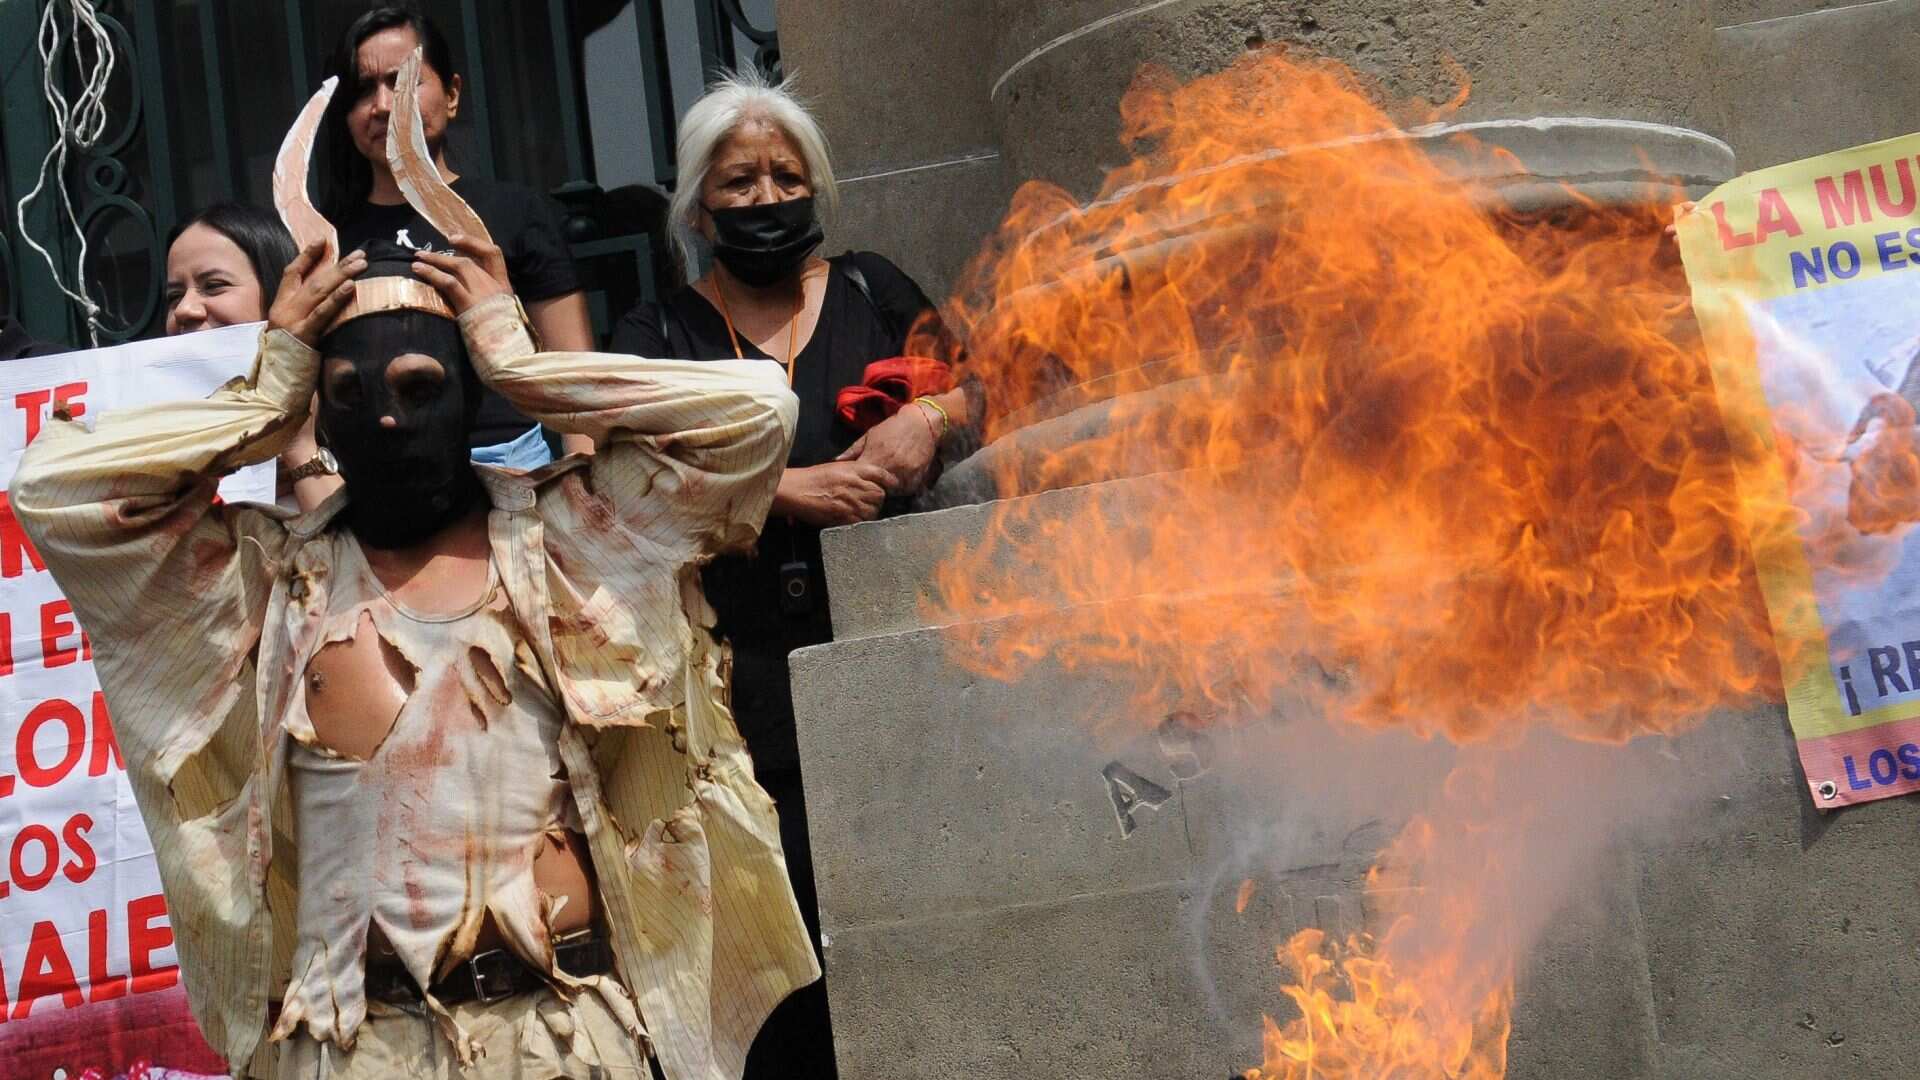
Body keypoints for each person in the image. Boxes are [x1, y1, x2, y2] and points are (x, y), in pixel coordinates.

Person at [12, 128, 817, 1077]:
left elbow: (759, 415)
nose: (388, 418)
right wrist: (269, 389)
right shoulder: (265, 587)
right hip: (355, 1048)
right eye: (350, 393)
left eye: (421, 386)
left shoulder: (577, 545)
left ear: (470, 395)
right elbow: (53, 494)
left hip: (566, 1038)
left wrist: (520, 365)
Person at [611, 67, 975, 1078]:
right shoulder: (659, 335)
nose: (767, 198)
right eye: (739, 182)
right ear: (698, 207)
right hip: (744, 693)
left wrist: (927, 417)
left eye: (785, 177)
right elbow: (621, 480)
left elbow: (990, 385)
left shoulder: (870, 288)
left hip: (900, 658)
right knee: (788, 961)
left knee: (924, 931)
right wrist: (780, 492)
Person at [318, 4, 594, 465]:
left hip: (511, 463)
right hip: (379, 471)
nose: (383, 105)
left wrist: (581, 480)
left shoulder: (514, 211)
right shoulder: (326, 237)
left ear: (452, 94)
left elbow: (577, 374)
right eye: (363, 90)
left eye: (403, 82)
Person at [163, 202, 346, 509]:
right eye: (174, 296)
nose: (184, 309)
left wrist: (299, 447)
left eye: (214, 286)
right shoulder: (152, 443)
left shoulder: (359, 420)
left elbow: (349, 541)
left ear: (282, 294)